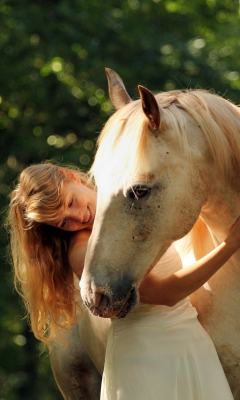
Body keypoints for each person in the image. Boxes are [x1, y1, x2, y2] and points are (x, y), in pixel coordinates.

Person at [8, 162, 239, 399]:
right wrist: (230, 243)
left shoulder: (135, 199)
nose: (79, 217)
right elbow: (165, 295)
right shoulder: (84, 248)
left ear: (71, 177)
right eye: (64, 223)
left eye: (70, 202)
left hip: (189, 340)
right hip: (150, 355)